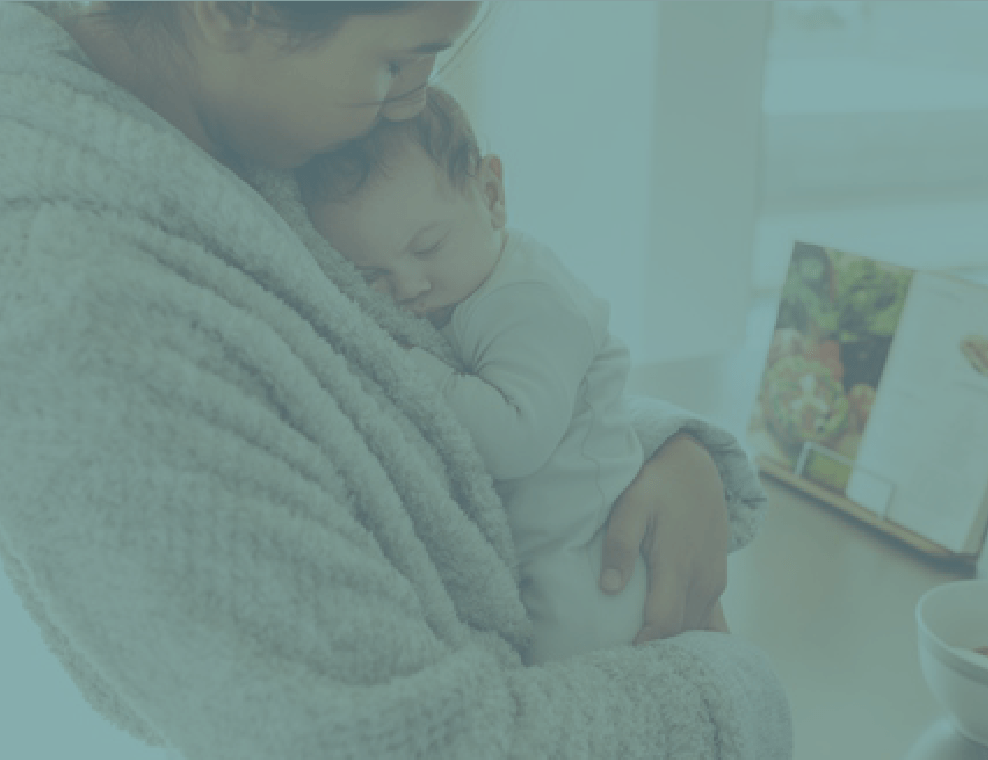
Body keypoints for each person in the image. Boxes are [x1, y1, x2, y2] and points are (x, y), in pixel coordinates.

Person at [0, 2, 792, 760]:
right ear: (230, 10)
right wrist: (728, 697)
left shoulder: (214, 146)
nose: (414, 99)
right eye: (395, 60)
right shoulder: (71, 324)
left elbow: (374, 407)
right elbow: (385, 746)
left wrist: (654, 450)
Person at [294, 85, 722, 666]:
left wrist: (407, 364)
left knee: (566, 673)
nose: (408, 287)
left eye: (429, 246)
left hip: (590, 558)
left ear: (491, 196)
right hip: (545, 549)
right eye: (369, 275)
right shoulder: (465, 287)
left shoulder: (529, 300)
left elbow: (517, 437)